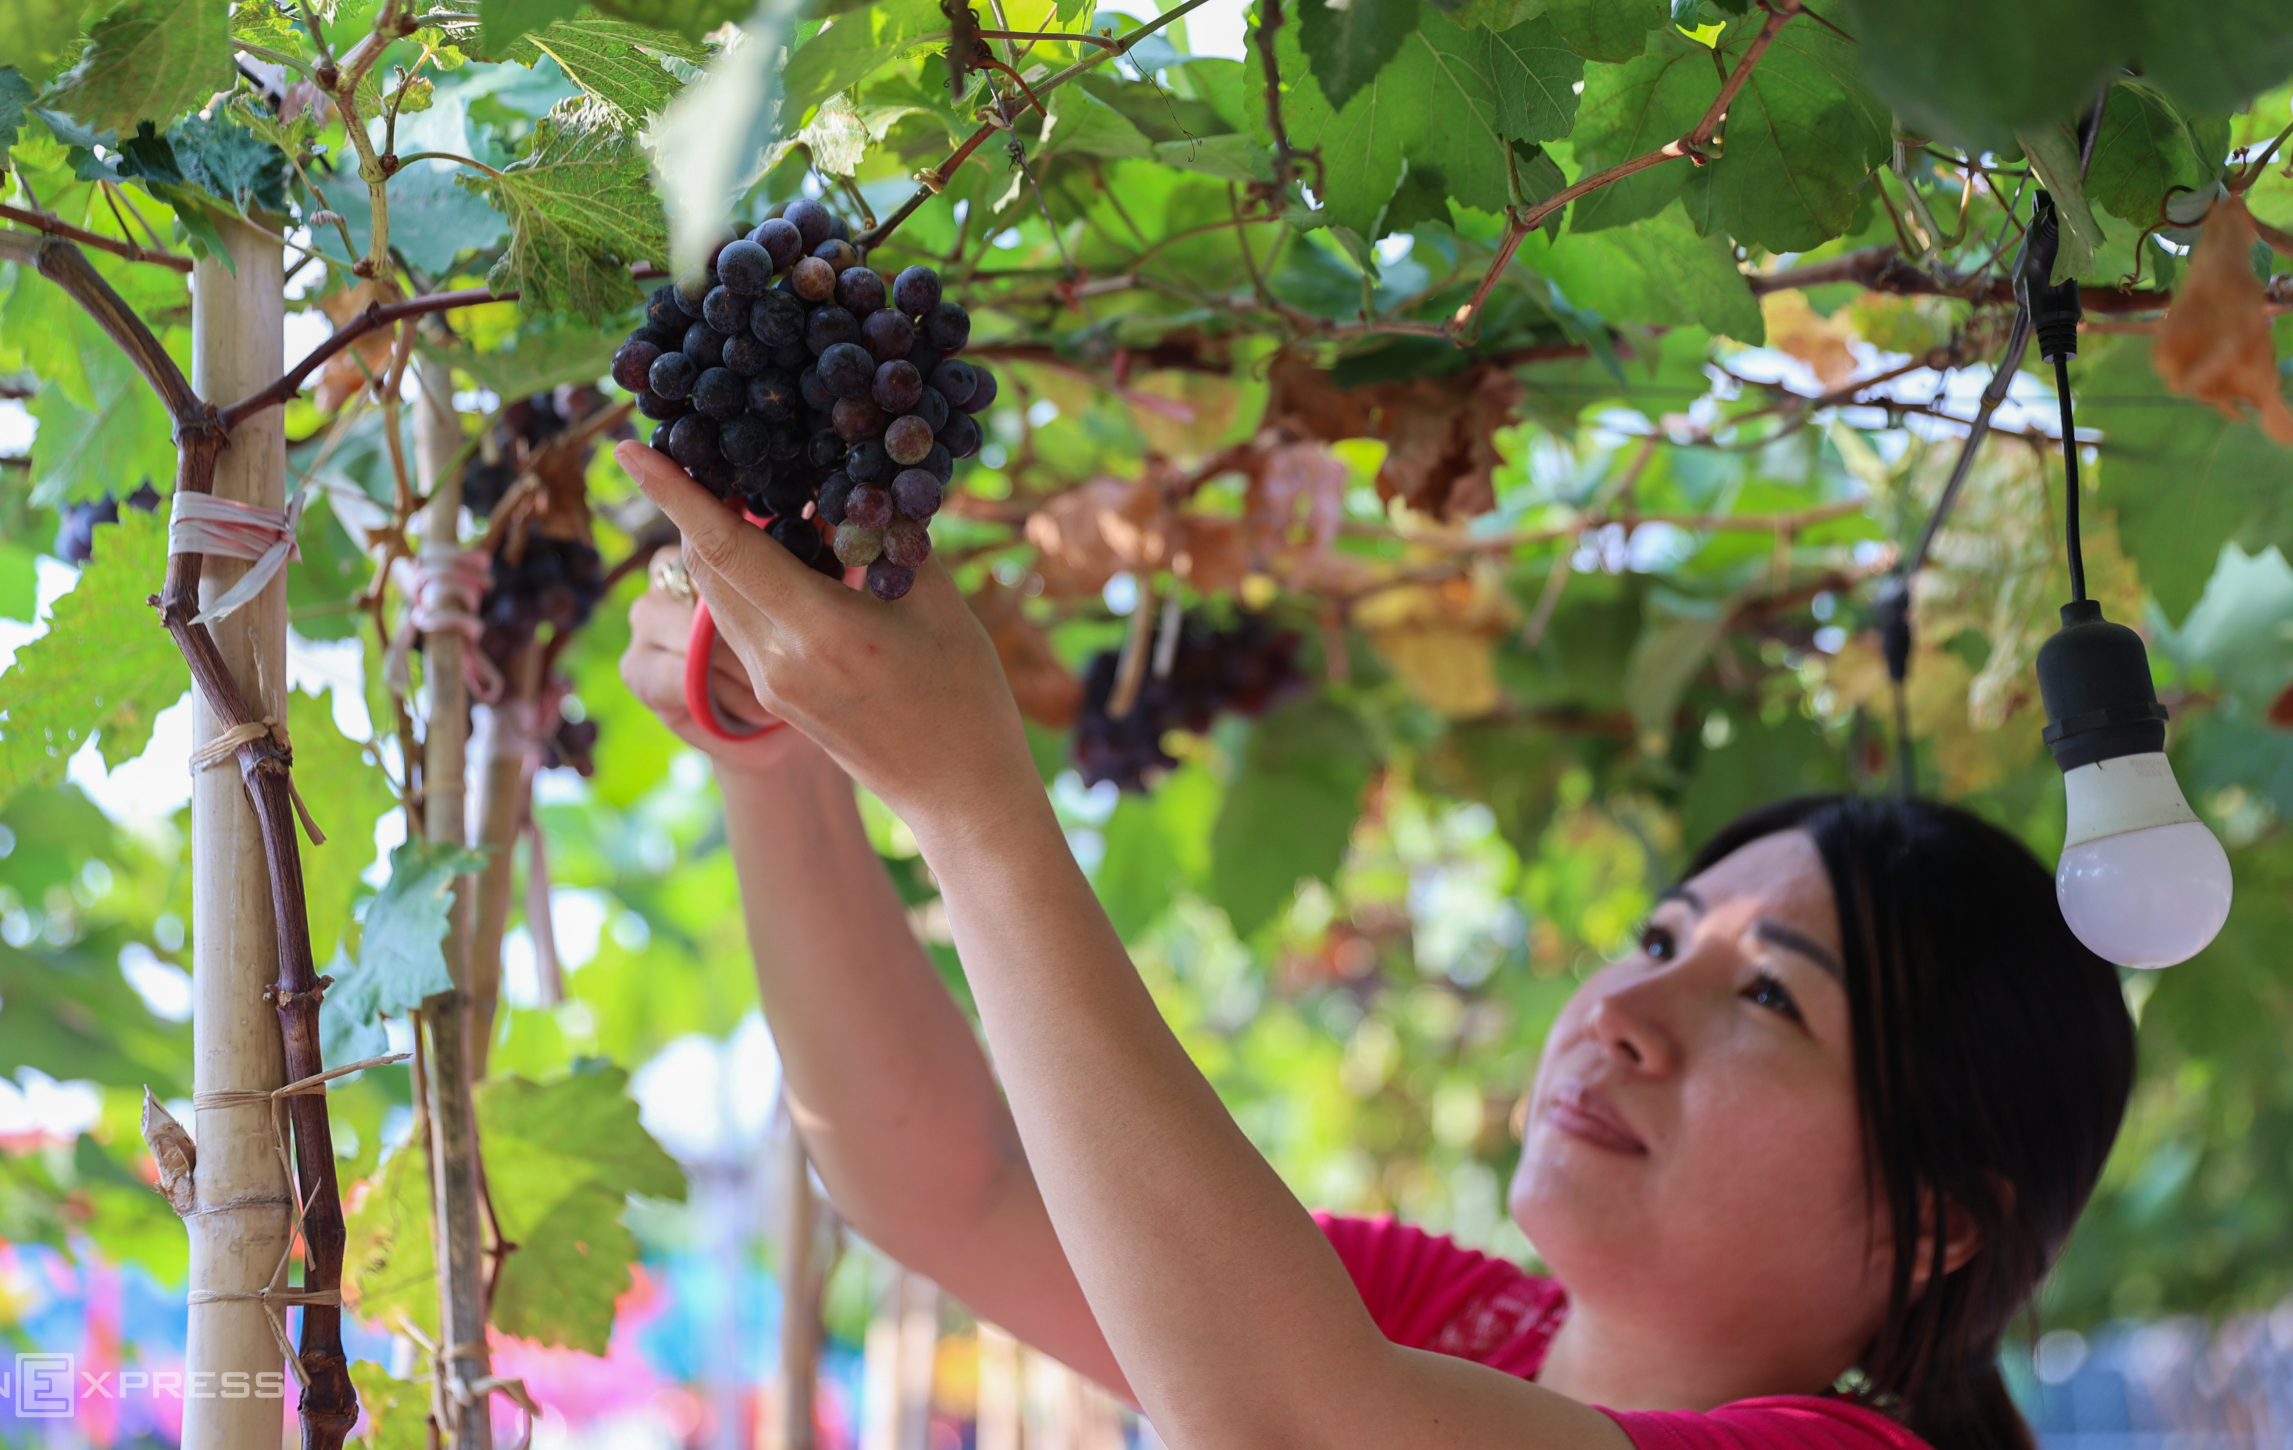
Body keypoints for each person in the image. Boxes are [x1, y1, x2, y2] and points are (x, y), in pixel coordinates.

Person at [614, 440, 2137, 1450]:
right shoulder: (1457, 1323)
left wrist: (979, 812)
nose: (1624, 1010)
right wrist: (778, 761)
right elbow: (949, 1185)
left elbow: (1288, 1427)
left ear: (1943, 1219)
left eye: (1767, 996)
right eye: (1659, 936)